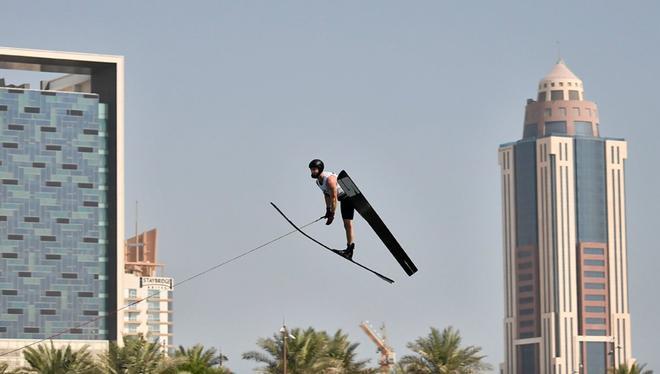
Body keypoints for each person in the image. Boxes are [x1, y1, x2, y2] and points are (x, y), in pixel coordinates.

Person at [309, 159, 355, 259]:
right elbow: (326, 195)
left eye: (314, 169)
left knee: (348, 223)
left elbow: (334, 198)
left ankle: (349, 250)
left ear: (320, 169)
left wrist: (332, 214)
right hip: (343, 199)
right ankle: (349, 250)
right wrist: (328, 210)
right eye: (311, 170)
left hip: (349, 194)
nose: (312, 172)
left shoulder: (329, 180)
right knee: (346, 224)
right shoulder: (318, 182)